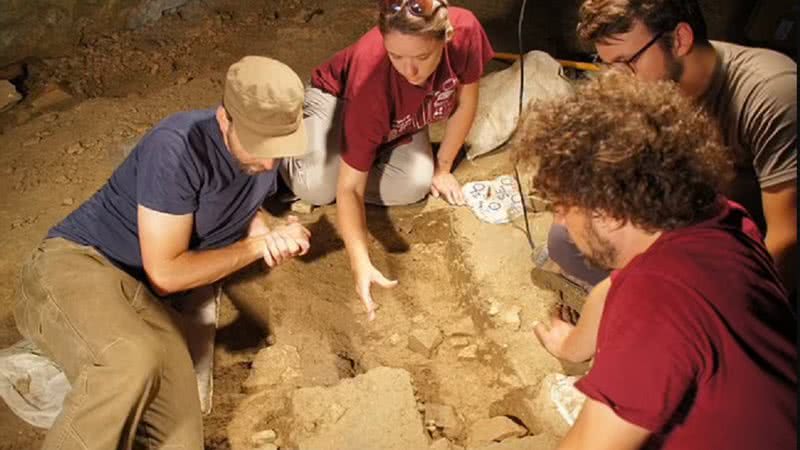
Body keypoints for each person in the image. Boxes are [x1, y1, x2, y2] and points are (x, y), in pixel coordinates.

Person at [14, 56, 312, 449]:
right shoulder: (177, 146)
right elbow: (167, 274)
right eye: (260, 146)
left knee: (180, 439)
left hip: (147, 302)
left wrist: (271, 232)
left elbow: (240, 203)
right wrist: (256, 247)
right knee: (129, 362)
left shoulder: (262, 153)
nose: (270, 160)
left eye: (280, 146)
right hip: (79, 263)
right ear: (225, 119)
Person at [515, 71, 796, 450]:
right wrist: (574, 347)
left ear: (610, 211)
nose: (560, 219)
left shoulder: (656, 307)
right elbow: (614, 284)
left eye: (564, 206)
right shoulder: (714, 216)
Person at [543, 0, 797, 293]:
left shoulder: (770, 93)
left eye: (628, 61)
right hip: (686, 216)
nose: (618, 77)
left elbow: (786, 239)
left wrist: (735, 314)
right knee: (566, 238)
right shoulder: (645, 84)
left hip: (739, 240)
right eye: (607, 63)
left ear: (679, 40)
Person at [280, 0, 494, 319]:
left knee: (416, 182)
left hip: (401, 117)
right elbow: (350, 190)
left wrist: (444, 167)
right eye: (396, 56)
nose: (410, 71)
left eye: (422, 57)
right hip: (338, 100)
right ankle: (303, 135)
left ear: (446, 37)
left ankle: (361, 151)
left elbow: (465, 101)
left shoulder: (465, 30)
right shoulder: (371, 80)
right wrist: (360, 262)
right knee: (317, 187)